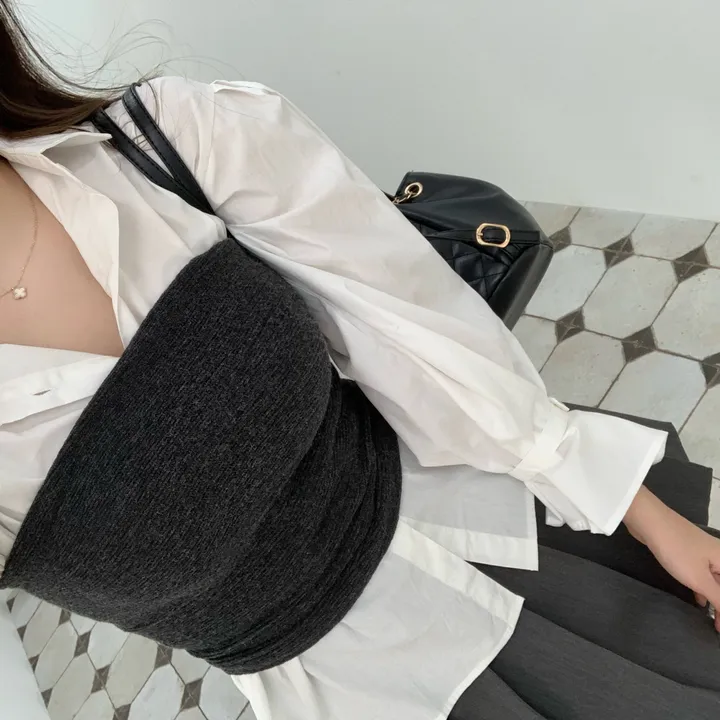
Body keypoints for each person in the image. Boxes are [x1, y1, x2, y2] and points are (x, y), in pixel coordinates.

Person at [0, 1, 718, 718]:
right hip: (371, 691)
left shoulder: (169, 144)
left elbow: (426, 342)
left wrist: (640, 513)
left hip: (515, 532)